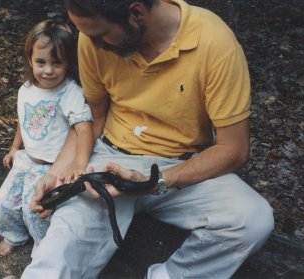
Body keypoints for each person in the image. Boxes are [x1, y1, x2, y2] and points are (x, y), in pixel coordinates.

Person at [22, 1, 274, 278]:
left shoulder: (214, 41)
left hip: (183, 167)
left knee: (253, 219)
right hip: (110, 162)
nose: (93, 44)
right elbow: (91, 117)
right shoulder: (92, 37)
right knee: (58, 252)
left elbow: (234, 149)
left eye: (101, 35)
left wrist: (156, 182)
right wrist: (56, 173)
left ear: (136, 13)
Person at [0, 20, 93, 257]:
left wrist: (79, 163)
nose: (48, 70)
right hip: (27, 159)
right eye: (41, 62)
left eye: (56, 62)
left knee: (35, 209)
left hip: (52, 166)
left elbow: (84, 127)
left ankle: (44, 249)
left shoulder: (70, 92)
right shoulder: (26, 89)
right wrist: (13, 148)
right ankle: (14, 235)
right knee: (7, 202)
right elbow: (22, 120)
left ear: (67, 63)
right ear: (30, 59)